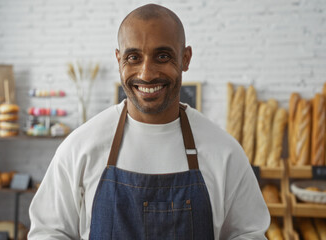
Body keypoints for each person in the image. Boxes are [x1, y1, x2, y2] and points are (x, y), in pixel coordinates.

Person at [28, 3, 270, 239]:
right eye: (133, 57)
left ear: (185, 58)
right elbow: (48, 232)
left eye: (162, 56)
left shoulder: (224, 152)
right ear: (118, 59)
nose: (146, 73)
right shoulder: (80, 147)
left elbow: (248, 233)